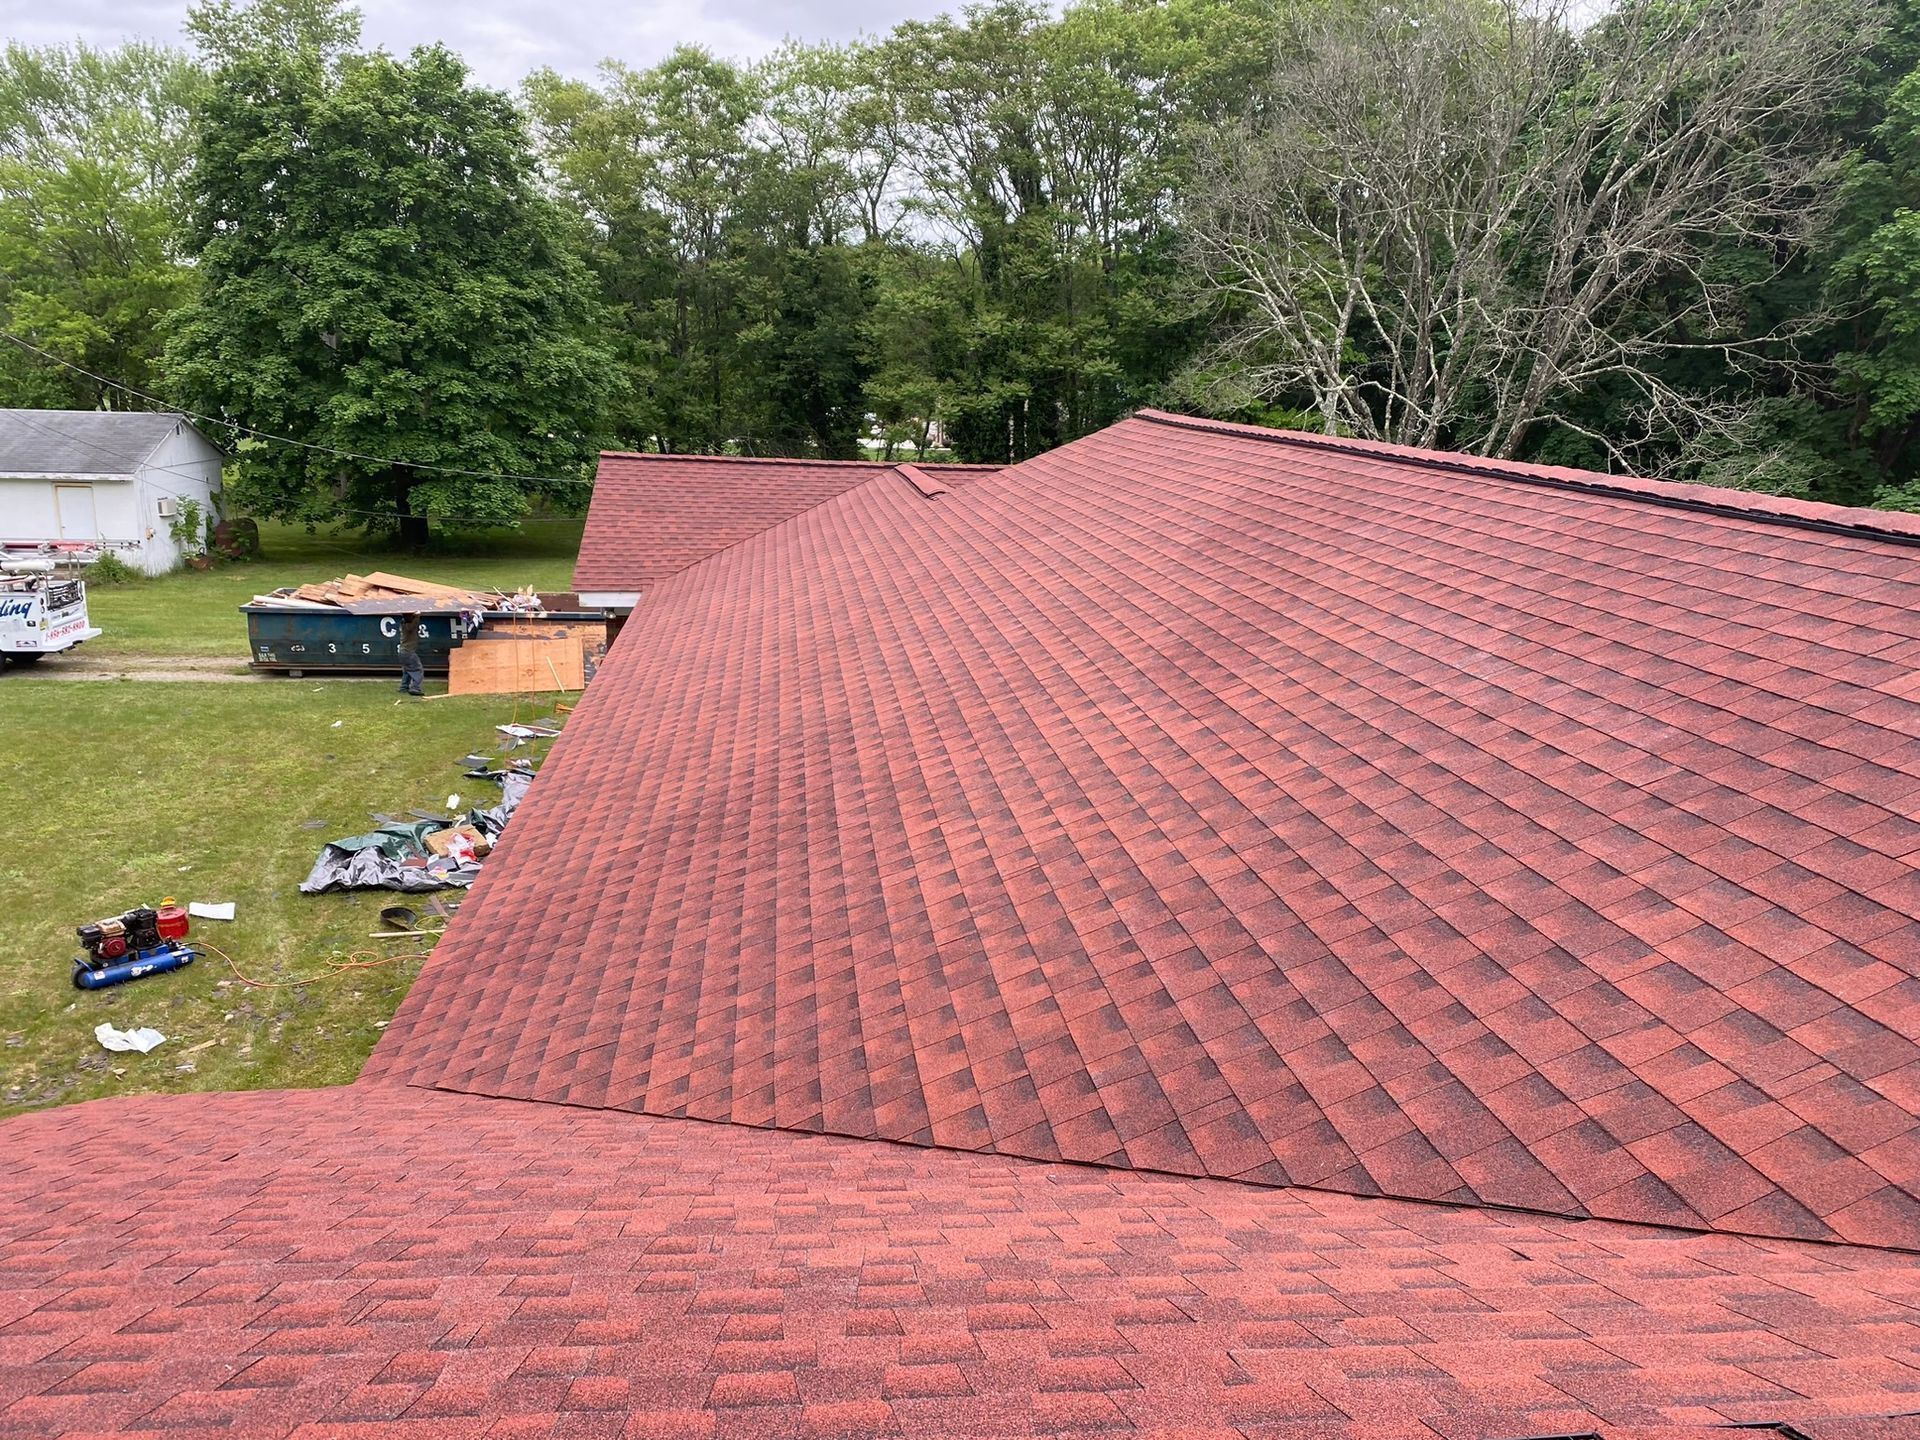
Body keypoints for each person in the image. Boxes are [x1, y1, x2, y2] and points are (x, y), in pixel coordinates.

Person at [397, 613, 425, 696]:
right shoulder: (410, 627)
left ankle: (404, 687)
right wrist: (417, 616)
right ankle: (415, 688)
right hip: (408, 652)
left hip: (402, 652)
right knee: (417, 669)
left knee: (407, 670)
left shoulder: (403, 624)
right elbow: (413, 625)